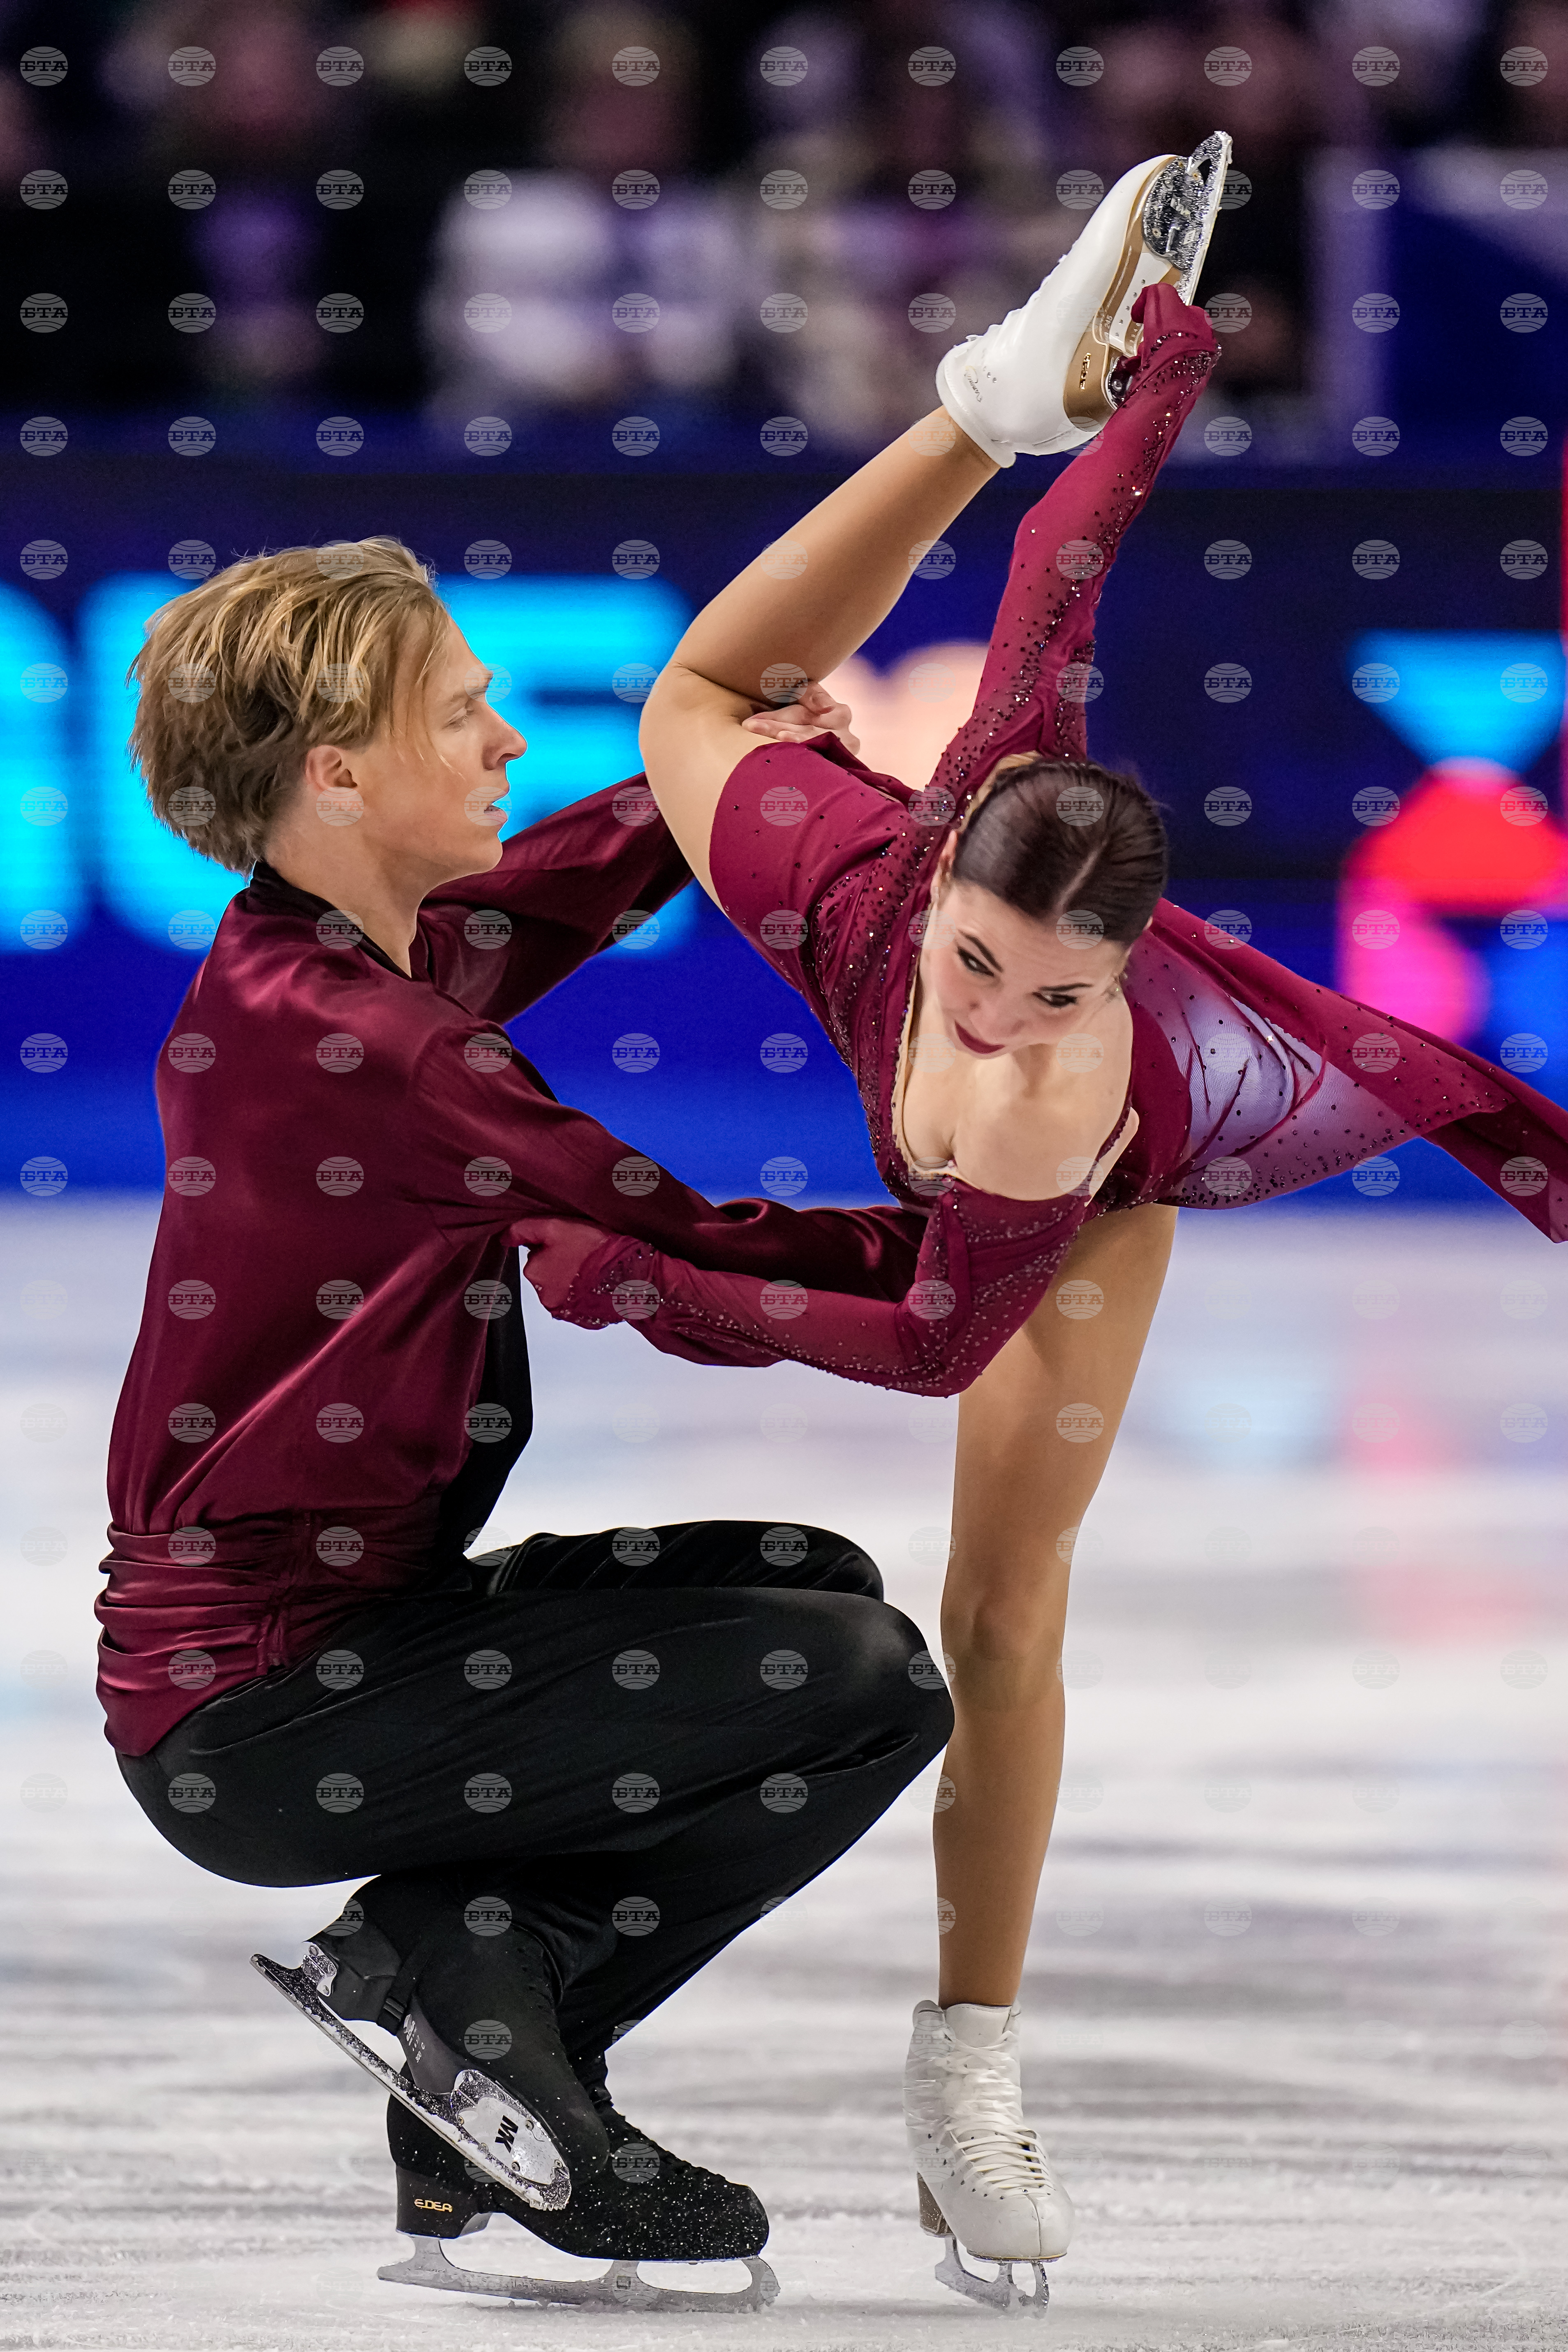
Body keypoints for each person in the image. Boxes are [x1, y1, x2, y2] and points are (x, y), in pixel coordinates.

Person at [634, 156, 1568, 2306]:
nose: (1005, 1013)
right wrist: (1146, 373)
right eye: (994, 963)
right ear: (954, 840)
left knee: (1001, 1596)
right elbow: (1068, 555)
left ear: (1119, 977)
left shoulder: (1066, 1104)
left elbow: (925, 1336)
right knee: (698, 697)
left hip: (1047, 1233)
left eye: (1057, 991)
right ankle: (975, 380)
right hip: (850, 908)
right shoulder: (935, 857)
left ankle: (965, 2053)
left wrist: (663, 1274)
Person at [98, 534, 1115, 2310]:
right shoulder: (381, 1047)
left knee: (809, 1582)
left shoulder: (312, 957)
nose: (507, 741)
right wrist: (993, 1236)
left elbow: (553, 893)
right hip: (260, 1718)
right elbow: (685, 1239)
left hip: (326, 1656)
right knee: (856, 1678)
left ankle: (461, 2027)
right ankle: (465, 2004)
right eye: (465, 715)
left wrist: (727, 772)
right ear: (337, 770)